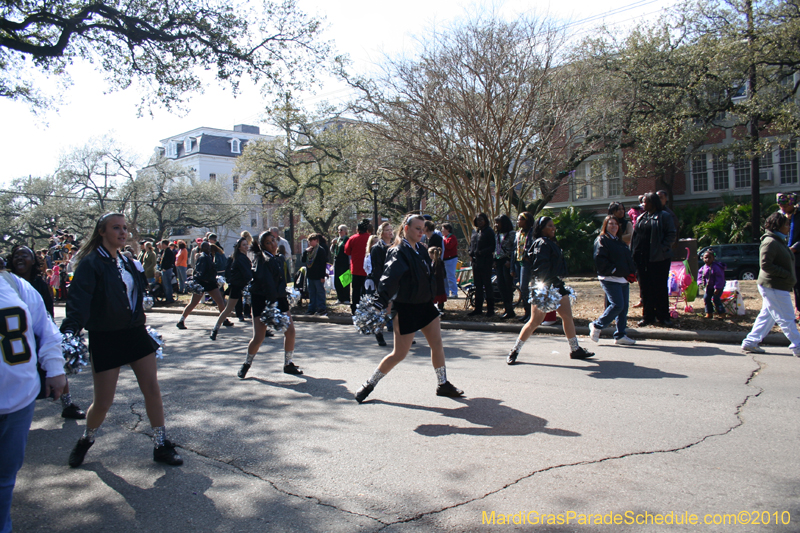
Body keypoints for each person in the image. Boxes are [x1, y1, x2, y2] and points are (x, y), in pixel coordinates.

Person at [62, 213, 182, 468]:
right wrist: (70, 331)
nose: (122, 232)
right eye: (116, 228)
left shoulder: (128, 262)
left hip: (135, 332)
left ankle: (161, 444)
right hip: (106, 336)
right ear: (102, 232)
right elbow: (79, 301)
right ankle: (87, 439)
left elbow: (137, 294)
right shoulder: (91, 263)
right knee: (104, 401)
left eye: (124, 228)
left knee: (152, 388)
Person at [354, 215, 464, 403]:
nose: (421, 232)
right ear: (406, 229)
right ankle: (369, 384)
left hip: (425, 305)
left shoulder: (421, 249)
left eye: (423, 229)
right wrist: (381, 301)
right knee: (399, 354)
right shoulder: (398, 251)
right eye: (417, 228)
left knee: (437, 344)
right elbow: (390, 277)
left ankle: (442, 384)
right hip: (406, 307)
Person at [0, 268, 66, 533]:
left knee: (5, 476)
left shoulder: (13, 284)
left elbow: (45, 327)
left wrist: (55, 368)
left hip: (20, 400)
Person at [8, 245, 86, 419]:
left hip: (36, 335)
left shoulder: (39, 285)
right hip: (14, 339)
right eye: (16, 256)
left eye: (24, 255)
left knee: (56, 366)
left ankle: (67, 404)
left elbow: (47, 314)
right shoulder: (7, 284)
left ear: (33, 261)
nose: (20, 258)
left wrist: (46, 337)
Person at [506, 216, 595, 364]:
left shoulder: (550, 242)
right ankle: (514, 350)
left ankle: (575, 349)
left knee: (567, 316)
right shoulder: (541, 243)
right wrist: (545, 289)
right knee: (535, 321)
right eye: (549, 226)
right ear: (541, 229)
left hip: (556, 285)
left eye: (553, 226)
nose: (553, 228)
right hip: (544, 287)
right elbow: (540, 268)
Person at [237, 231, 303, 378]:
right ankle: (246, 363)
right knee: (259, 337)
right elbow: (266, 283)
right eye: (268, 242)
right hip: (263, 299)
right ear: (263, 246)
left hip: (279, 297)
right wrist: (272, 304)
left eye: (273, 240)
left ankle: (288, 363)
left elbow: (280, 282)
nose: (273, 244)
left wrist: (287, 294)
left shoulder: (278, 258)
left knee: (290, 331)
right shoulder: (262, 260)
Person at [742, 212, 800, 356]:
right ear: (778, 226)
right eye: (786, 224)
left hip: (776, 286)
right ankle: (798, 345)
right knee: (786, 317)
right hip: (773, 286)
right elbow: (765, 265)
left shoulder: (778, 241)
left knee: (767, 316)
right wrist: (786, 274)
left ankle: (751, 342)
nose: (788, 227)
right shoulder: (770, 242)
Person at [588, 216, 637, 346]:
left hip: (622, 278)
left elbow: (627, 259)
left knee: (623, 308)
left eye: (616, 224)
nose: (614, 226)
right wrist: (613, 270)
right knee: (617, 305)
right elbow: (600, 259)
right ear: (605, 225)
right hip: (609, 278)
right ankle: (597, 325)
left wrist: (631, 272)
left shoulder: (619, 242)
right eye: (611, 224)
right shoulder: (602, 240)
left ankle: (620, 335)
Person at [631, 192, 677, 327]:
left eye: (645, 202)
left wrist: (662, 249)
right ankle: (648, 316)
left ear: (652, 203)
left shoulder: (664, 216)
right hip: (642, 258)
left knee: (660, 288)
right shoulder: (641, 217)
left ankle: (663, 316)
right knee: (645, 288)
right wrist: (633, 253)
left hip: (659, 259)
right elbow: (635, 237)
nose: (642, 204)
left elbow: (671, 234)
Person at [176, 242, 230, 329]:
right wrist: (208, 279)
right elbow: (200, 272)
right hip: (203, 283)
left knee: (220, 301)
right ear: (202, 248)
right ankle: (181, 321)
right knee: (193, 303)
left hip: (210, 283)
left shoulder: (208, 256)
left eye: (209, 247)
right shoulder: (203, 257)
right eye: (206, 247)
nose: (208, 248)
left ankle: (224, 320)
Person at [210, 238, 252, 340]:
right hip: (239, 286)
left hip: (238, 286)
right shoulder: (240, 258)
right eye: (244, 245)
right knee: (228, 309)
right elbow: (246, 273)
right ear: (239, 247)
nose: (246, 246)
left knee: (229, 309)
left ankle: (215, 329)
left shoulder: (238, 257)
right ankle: (215, 329)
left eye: (247, 244)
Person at [368, 222, 394, 347]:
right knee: (385, 310)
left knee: (399, 310)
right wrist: (382, 285)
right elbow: (377, 270)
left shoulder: (396, 245)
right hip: (385, 283)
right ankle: (379, 331)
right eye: (387, 230)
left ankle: (404, 336)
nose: (390, 232)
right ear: (381, 233)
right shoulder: (377, 248)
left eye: (391, 229)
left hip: (397, 282)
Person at [776, 192, 800, 317]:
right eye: (780, 206)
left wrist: (795, 248)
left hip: (797, 255)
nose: (782, 208)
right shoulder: (781, 216)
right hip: (785, 256)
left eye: (785, 206)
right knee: (794, 285)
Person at [468, 213, 496, 317]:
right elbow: (471, 244)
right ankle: (478, 309)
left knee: (487, 285)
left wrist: (481, 252)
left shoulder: (489, 231)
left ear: (485, 220)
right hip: (476, 261)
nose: (479, 222)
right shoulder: (475, 231)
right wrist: (470, 252)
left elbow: (492, 246)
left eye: (481, 220)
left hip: (485, 261)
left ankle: (490, 310)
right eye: (478, 220)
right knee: (477, 285)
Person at [344, 219, 372, 313]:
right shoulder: (370, 238)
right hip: (368, 269)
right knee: (366, 291)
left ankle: (355, 309)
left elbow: (347, 251)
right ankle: (365, 309)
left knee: (355, 290)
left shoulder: (352, 238)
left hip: (355, 269)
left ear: (358, 229)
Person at [513, 212, 535, 323]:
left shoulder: (533, 233)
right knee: (523, 288)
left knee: (528, 288)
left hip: (529, 264)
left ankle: (532, 314)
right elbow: (514, 250)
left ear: (527, 221)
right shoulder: (518, 234)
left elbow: (535, 247)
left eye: (520, 219)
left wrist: (528, 255)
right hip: (519, 263)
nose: (518, 222)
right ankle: (527, 312)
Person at [493, 214, 516, 319]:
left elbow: (514, 249)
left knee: (507, 286)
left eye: (498, 222)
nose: (496, 225)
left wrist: (510, 260)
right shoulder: (497, 234)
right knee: (501, 286)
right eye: (495, 222)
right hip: (498, 261)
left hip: (507, 262)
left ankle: (510, 309)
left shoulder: (511, 234)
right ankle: (506, 308)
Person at [301, 233, 329, 316]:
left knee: (320, 292)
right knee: (312, 292)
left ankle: (322, 308)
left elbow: (323, 264)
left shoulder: (320, 250)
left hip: (318, 275)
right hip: (310, 275)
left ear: (316, 241)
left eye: (311, 241)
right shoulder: (309, 251)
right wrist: (305, 252)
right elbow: (303, 260)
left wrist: (322, 276)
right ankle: (311, 309)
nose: (310, 243)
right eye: (309, 241)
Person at [698, 249, 727, 319]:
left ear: (713, 258)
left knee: (716, 299)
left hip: (718, 286)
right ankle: (709, 313)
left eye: (709, 257)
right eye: (705, 257)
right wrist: (700, 283)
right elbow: (700, 276)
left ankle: (722, 313)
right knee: (706, 298)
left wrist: (717, 288)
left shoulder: (716, 267)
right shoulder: (703, 268)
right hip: (709, 286)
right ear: (703, 258)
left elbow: (719, 278)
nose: (707, 259)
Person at [330, 224, 351, 305]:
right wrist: (333, 244)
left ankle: (346, 298)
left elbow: (349, 253)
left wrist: (350, 263)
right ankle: (339, 298)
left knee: (345, 280)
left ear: (345, 231)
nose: (339, 231)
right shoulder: (337, 240)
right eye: (338, 230)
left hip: (345, 262)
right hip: (337, 262)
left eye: (341, 230)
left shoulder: (348, 240)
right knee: (337, 281)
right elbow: (332, 251)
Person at [441, 223, 459, 298]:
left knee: (450, 276)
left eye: (443, 228)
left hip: (451, 259)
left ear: (447, 229)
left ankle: (454, 292)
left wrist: (442, 241)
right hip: (444, 259)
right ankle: (446, 293)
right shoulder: (444, 237)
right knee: (445, 277)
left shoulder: (452, 237)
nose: (441, 230)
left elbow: (449, 246)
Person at [429, 246, 447, 312]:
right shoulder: (435, 262)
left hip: (437, 283)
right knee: (438, 298)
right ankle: (439, 309)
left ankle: (440, 309)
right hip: (439, 283)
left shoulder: (438, 263)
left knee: (438, 298)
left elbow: (439, 273)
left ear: (432, 254)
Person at [158, 239, 176, 304]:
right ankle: (167, 297)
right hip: (165, 269)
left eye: (162, 244)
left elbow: (169, 261)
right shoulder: (165, 251)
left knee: (167, 284)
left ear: (164, 244)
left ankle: (169, 298)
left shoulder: (169, 251)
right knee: (165, 285)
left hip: (167, 270)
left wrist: (165, 268)